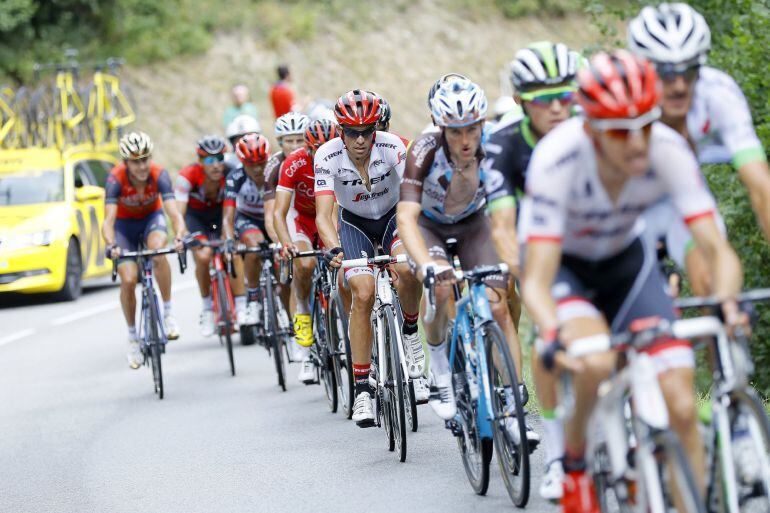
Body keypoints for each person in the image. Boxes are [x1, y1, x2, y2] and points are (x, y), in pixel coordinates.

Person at [519, 51, 746, 513]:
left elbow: (715, 248)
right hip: (569, 270)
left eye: (646, 124)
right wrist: (550, 332)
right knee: (596, 362)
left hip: (628, 264)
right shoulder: (555, 160)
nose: (639, 144)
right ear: (590, 130)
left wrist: (726, 300)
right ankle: (575, 460)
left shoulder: (666, 148)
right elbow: (536, 281)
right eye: (621, 132)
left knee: (682, 404)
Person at [397, 78, 533, 444]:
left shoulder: (495, 145)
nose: (466, 139)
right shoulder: (423, 150)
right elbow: (406, 217)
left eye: (473, 128)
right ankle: (439, 362)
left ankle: (512, 399)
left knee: (499, 302)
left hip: (475, 224)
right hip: (431, 227)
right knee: (442, 290)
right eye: (456, 132)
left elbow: (522, 199)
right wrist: (425, 264)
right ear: (441, 128)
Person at [483, 41, 581, 501]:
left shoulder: (593, 129)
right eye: (545, 98)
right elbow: (502, 228)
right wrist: (531, 280)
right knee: (549, 341)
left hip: (588, 238)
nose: (559, 107)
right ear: (522, 101)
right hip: (531, 242)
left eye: (567, 94)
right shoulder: (502, 145)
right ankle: (559, 456)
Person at [627, 2, 770, 296]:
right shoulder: (623, 104)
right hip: (627, 204)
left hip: (684, 199)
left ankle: (723, 338)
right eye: (666, 73)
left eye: (689, 71)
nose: (679, 86)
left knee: (712, 278)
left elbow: (761, 188)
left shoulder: (718, 94)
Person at [315, 89, 424, 426]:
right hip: (354, 224)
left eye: (366, 131)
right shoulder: (326, 156)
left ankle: (410, 332)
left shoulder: (394, 145)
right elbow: (323, 215)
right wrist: (334, 247)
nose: (360, 139)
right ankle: (363, 389)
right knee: (362, 292)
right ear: (340, 131)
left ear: (376, 129)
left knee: (406, 270)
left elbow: (414, 197)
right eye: (352, 132)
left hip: (393, 217)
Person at [102, 132, 187, 368]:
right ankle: (132, 337)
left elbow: (173, 213)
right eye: (135, 161)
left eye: (145, 159)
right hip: (124, 227)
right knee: (128, 279)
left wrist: (180, 234)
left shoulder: (159, 174)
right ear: (125, 162)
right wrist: (111, 245)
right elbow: (108, 220)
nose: (141, 166)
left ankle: (168, 313)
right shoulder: (115, 179)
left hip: (151, 219)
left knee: (158, 251)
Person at [274, 120, 338, 383]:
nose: (321, 154)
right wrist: (286, 242)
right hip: (300, 219)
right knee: (306, 264)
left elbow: (338, 209)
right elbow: (278, 212)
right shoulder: (293, 162)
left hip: (329, 217)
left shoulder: (341, 158)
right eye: (315, 150)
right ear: (308, 148)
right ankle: (302, 316)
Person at [175, 135, 248, 335]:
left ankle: (242, 306)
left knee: (231, 251)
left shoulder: (232, 172)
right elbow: (178, 212)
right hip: (196, 218)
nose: (215, 165)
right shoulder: (187, 176)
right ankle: (207, 308)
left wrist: (231, 235)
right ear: (200, 162)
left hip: (223, 213)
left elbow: (238, 206)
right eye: (209, 160)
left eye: (219, 159)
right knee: (203, 255)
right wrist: (180, 234)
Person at [223, 134, 271, 328]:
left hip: (272, 217)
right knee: (254, 246)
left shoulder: (274, 171)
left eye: (262, 162)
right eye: (252, 164)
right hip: (247, 219)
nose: (258, 168)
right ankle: (252, 299)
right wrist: (228, 239)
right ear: (242, 162)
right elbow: (228, 216)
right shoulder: (235, 177)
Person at [264, 112, 311, 243]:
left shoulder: (318, 157)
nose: (295, 146)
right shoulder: (273, 165)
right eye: (289, 141)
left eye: (300, 140)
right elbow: (270, 214)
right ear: (280, 142)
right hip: (294, 218)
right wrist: (280, 243)